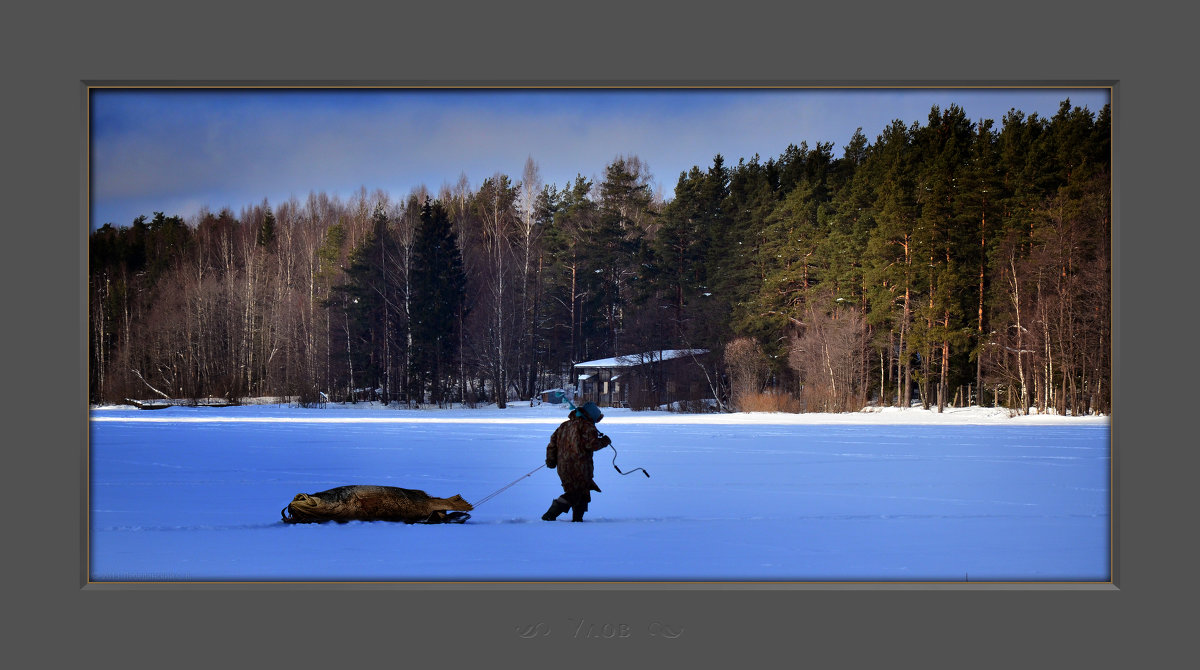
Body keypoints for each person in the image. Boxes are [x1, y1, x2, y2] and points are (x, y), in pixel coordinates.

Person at [542, 401, 611, 522]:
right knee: (576, 492)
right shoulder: (587, 426)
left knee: (582, 492)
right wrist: (604, 441)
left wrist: (551, 460)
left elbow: (552, 445)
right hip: (580, 467)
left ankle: (578, 521)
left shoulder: (563, 426)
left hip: (563, 467)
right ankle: (550, 514)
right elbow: (592, 445)